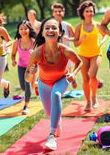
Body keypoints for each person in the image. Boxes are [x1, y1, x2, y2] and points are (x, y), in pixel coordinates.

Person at [25, 17, 82, 151]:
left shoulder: (64, 50)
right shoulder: (38, 52)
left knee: (56, 95)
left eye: (54, 28)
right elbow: (27, 78)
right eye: (47, 28)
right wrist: (31, 74)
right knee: (50, 114)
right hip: (43, 84)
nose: (50, 30)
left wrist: (73, 74)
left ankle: (51, 136)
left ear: (60, 33)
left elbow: (79, 62)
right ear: (43, 33)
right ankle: (57, 122)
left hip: (61, 80)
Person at [74, 0, 106, 111]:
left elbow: (105, 35)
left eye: (91, 11)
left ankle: (94, 98)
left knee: (92, 75)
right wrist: (81, 40)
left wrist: (102, 42)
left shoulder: (97, 25)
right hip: (83, 54)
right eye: (87, 11)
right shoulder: (79, 27)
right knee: (85, 78)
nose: (90, 13)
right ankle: (88, 102)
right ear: (83, 13)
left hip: (96, 53)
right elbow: (75, 43)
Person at [11, 20, 36, 115]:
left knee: (28, 85)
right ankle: (36, 85)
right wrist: (13, 60)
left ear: (29, 29)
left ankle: (25, 106)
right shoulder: (16, 43)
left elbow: (39, 55)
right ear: (18, 31)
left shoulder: (34, 42)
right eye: (21, 29)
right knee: (23, 87)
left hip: (31, 67)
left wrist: (35, 64)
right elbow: (13, 54)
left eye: (25, 28)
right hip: (21, 66)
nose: (23, 30)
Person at [51, 3, 77, 88]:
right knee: (55, 72)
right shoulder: (50, 25)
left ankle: (73, 78)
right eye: (56, 11)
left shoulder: (67, 25)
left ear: (63, 12)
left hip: (66, 52)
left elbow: (76, 38)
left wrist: (68, 39)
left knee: (67, 71)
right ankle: (58, 89)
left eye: (60, 11)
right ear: (53, 13)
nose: (58, 13)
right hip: (54, 52)